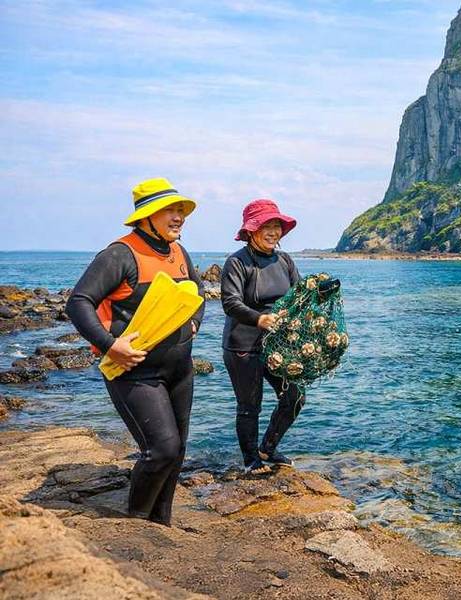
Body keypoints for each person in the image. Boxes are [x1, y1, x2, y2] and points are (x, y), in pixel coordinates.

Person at [65, 178, 203, 526]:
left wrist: (194, 322)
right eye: (170, 210)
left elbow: (196, 290)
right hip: (136, 372)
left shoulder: (178, 252)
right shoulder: (119, 255)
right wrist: (113, 344)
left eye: (180, 210)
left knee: (177, 453)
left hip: (180, 370)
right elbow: (79, 302)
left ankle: (162, 524)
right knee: (162, 450)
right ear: (147, 216)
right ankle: (137, 525)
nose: (178, 217)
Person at [221, 199, 303, 473]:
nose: (273, 231)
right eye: (266, 226)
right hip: (242, 345)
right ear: (251, 230)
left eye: (276, 225)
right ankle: (251, 462)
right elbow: (230, 302)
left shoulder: (285, 260)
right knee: (249, 405)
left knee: (294, 396)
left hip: (276, 345)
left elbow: (298, 296)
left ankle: (267, 449)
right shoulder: (237, 262)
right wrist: (259, 318)